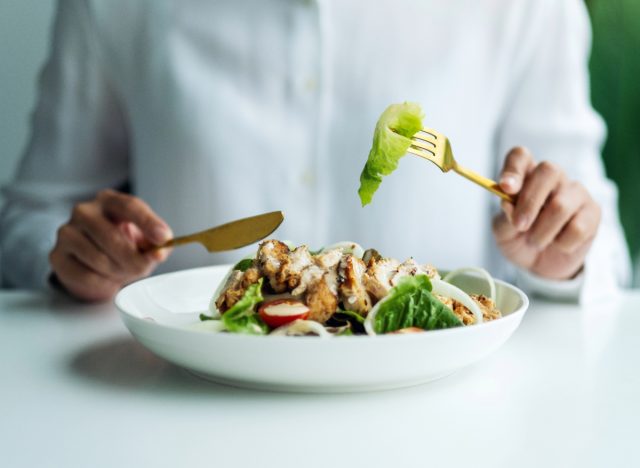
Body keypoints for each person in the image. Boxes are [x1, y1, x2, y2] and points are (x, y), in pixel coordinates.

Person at [0, 0, 630, 302]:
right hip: (178, 410)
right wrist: (71, 259)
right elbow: (30, 218)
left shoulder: (528, 9)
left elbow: (605, 255)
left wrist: (565, 250)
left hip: (449, 427)